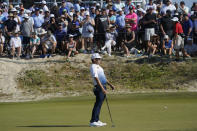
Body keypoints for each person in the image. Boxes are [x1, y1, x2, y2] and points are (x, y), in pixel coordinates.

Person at [90, 53, 115, 127]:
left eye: (100, 59)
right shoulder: (93, 66)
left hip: (103, 86)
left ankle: (97, 120)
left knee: (99, 104)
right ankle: (93, 121)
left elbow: (104, 78)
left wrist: (110, 85)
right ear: (94, 60)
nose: (100, 60)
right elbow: (96, 78)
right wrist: (102, 88)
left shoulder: (99, 67)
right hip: (98, 87)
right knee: (98, 104)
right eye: (98, 59)